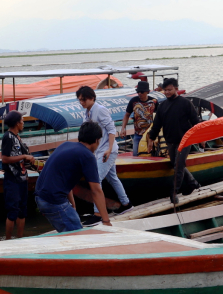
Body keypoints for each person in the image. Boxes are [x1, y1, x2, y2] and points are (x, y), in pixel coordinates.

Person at [34, 121, 111, 232]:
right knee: (77, 235)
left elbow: (65, 179)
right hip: (53, 201)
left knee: (69, 231)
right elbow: (96, 191)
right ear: (96, 140)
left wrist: (72, 205)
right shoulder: (87, 156)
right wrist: (106, 221)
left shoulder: (66, 145)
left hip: (40, 197)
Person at [76, 86, 131, 215]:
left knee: (96, 180)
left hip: (107, 151)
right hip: (98, 151)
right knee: (113, 178)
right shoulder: (87, 112)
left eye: (84, 100)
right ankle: (126, 203)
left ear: (92, 98)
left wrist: (109, 149)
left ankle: (98, 213)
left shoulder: (100, 110)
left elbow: (112, 130)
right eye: (80, 100)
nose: (81, 102)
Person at [146, 77, 200, 205]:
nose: (167, 92)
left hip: (185, 140)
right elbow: (156, 125)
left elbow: (196, 122)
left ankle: (174, 192)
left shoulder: (186, 103)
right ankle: (192, 182)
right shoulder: (163, 106)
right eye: (165, 90)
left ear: (176, 89)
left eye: (170, 90)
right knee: (176, 164)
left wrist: (200, 138)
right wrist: (151, 139)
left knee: (179, 166)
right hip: (170, 140)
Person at [0, 110, 34, 239]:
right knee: (12, 210)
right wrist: (24, 156)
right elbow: (5, 159)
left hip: (22, 178)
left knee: (22, 210)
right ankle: (8, 239)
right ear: (16, 123)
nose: (23, 124)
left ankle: (20, 238)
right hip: (12, 179)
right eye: (22, 121)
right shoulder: (8, 137)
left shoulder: (18, 138)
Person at [121, 82, 158, 157]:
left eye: (142, 92)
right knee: (135, 155)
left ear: (147, 92)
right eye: (138, 92)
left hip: (150, 134)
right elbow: (127, 115)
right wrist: (123, 128)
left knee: (152, 154)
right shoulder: (133, 101)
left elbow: (158, 118)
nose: (139, 94)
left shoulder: (154, 102)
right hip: (138, 134)